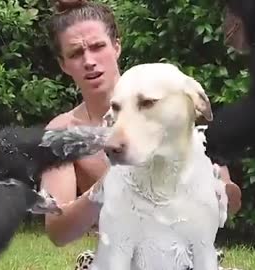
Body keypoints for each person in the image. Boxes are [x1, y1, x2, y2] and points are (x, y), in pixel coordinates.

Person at [41, 0, 242, 268]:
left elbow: (230, 200)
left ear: (116, 46)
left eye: (98, 46)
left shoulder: (165, 95)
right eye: (76, 53)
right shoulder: (62, 131)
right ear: (63, 64)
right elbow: (57, 231)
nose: (89, 61)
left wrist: (221, 192)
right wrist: (106, 187)